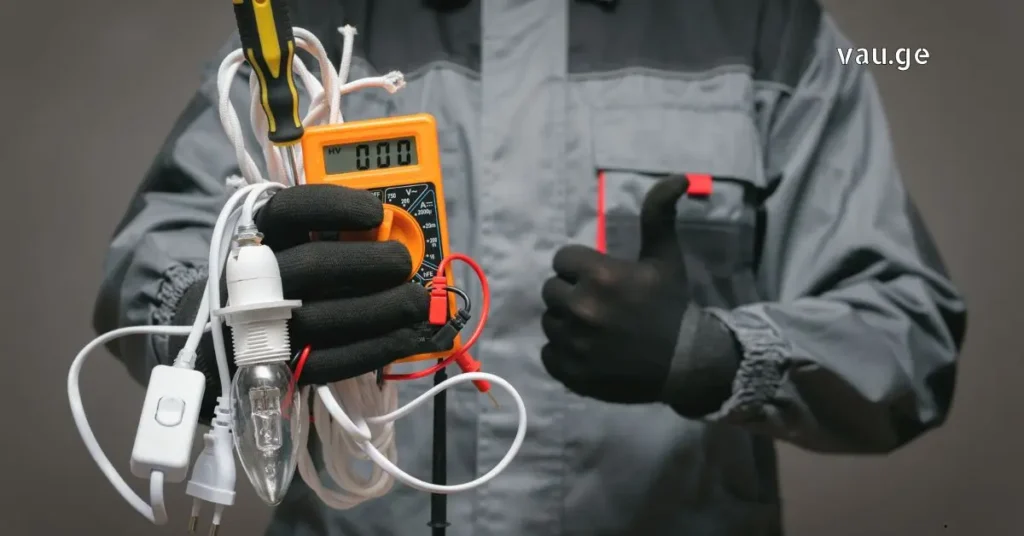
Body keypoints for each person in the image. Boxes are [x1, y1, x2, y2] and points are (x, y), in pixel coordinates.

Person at [93, 0, 967, 534]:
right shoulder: (309, 30)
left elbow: (909, 333)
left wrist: (717, 354)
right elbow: (161, 245)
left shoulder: (770, 30)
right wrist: (221, 327)